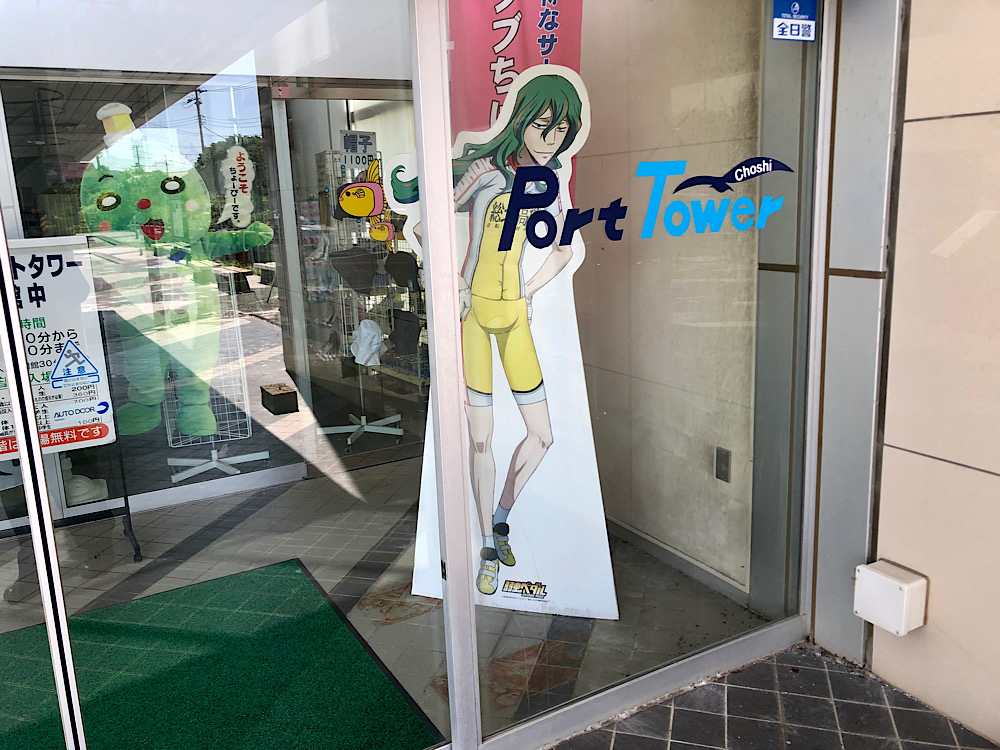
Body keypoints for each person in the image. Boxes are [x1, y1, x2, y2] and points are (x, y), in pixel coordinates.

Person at [391, 73, 587, 595]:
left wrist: (530, 289)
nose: (550, 138)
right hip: (474, 318)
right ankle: (485, 547)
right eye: (542, 125)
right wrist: (456, 282)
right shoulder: (487, 173)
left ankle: (501, 517)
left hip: (515, 315)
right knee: (480, 439)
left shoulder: (552, 187)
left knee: (542, 436)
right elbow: (424, 227)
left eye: (560, 130)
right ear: (522, 122)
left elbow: (564, 250)